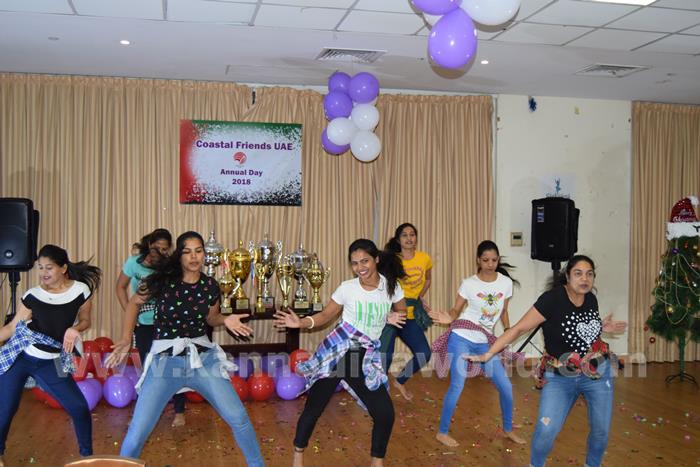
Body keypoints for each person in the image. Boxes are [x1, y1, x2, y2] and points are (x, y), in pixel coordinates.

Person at [105, 231, 264, 465]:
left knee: (239, 417)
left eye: (198, 251)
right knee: (138, 430)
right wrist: (126, 338)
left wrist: (225, 319)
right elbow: (133, 304)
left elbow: (211, 318)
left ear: (204, 254)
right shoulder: (161, 281)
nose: (194, 257)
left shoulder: (210, 286)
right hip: (165, 362)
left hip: (203, 359)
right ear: (179, 255)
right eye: (187, 252)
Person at [468, 255, 627, 467]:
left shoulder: (590, 299)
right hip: (561, 376)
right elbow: (519, 329)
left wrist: (600, 328)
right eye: (578, 273)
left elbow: (583, 334)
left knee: (601, 431)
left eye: (589, 274)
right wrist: (488, 354)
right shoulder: (552, 300)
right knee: (546, 430)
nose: (584, 279)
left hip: (597, 372)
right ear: (567, 276)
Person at [274, 239, 407, 467]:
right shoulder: (348, 288)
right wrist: (301, 323)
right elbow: (325, 316)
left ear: (376, 259)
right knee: (314, 407)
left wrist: (392, 317)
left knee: (385, 414)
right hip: (338, 352)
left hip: (365, 357)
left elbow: (402, 312)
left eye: (364, 261)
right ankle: (298, 455)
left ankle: (377, 463)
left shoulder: (391, 286)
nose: (360, 267)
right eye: (355, 263)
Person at [0, 245, 102, 464]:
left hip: (52, 361)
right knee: (5, 410)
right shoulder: (33, 295)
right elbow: (11, 328)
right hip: (22, 357)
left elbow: (86, 320)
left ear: (63, 268)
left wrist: (75, 329)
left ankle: (87, 458)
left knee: (79, 407)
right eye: (40, 268)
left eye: (49, 268)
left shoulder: (81, 291)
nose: (43, 273)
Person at [429, 240, 525, 447]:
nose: (490, 264)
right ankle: (442, 432)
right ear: (478, 261)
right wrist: (449, 317)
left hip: (484, 343)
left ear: (498, 260)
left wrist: (508, 332)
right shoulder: (469, 283)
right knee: (457, 384)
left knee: (506, 386)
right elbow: (456, 310)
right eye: (485, 260)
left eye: (494, 260)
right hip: (461, 337)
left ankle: (508, 429)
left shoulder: (505, 283)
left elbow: (504, 311)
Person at [115, 228, 188, 427]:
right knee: (148, 367)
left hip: (169, 323)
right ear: (149, 245)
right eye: (157, 248)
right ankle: (142, 412)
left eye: (165, 249)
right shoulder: (134, 263)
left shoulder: (169, 266)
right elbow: (120, 287)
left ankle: (179, 411)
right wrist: (130, 312)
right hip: (144, 324)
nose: (161, 253)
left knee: (175, 365)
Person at [379, 223, 432, 401]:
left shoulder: (424, 258)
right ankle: (379, 394)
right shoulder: (391, 260)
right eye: (404, 235)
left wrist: (419, 297)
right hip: (392, 316)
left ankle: (400, 380)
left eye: (412, 234)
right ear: (398, 239)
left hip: (410, 317)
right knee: (385, 357)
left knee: (424, 354)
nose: (409, 238)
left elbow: (428, 279)